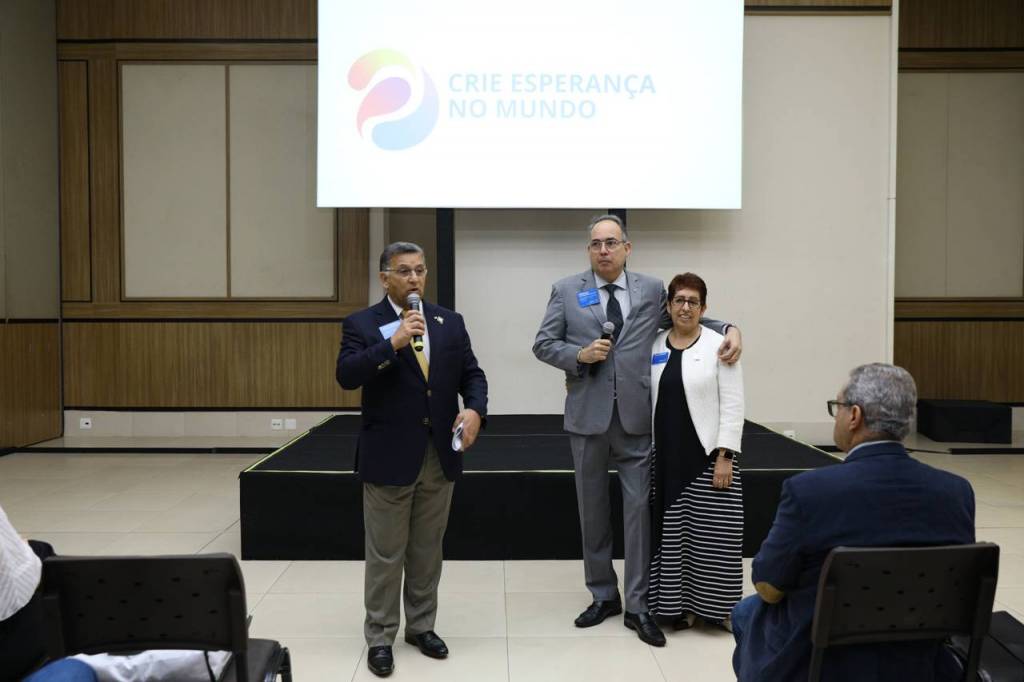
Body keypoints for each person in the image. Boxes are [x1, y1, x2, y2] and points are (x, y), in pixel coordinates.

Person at [533, 214, 742, 647]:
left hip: (637, 420)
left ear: (627, 248)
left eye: (611, 243)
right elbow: (543, 344)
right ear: (588, 250)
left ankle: (638, 604)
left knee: (638, 514)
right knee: (592, 512)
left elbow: (685, 317)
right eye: (596, 244)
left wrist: (729, 328)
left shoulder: (650, 289)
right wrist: (580, 355)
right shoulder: (566, 290)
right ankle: (602, 595)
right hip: (587, 418)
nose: (604, 250)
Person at [731, 363, 975, 682]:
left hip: (821, 664)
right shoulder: (956, 492)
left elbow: (768, 587)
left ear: (854, 416)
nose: (837, 416)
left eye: (838, 407)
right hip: (919, 663)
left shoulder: (810, 491)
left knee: (746, 611)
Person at [336, 241, 488, 678]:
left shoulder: (448, 321)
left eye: (420, 270)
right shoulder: (363, 323)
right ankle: (380, 636)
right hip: (389, 455)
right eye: (404, 271)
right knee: (386, 554)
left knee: (426, 550)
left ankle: (421, 627)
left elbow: (472, 375)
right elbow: (347, 375)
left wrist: (474, 410)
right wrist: (394, 343)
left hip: (439, 454)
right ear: (384, 277)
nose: (415, 278)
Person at [647, 273, 744, 632]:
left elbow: (733, 403)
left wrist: (725, 456)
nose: (685, 307)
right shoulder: (655, 344)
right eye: (679, 300)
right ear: (669, 305)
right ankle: (679, 607)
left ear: (704, 308)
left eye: (693, 301)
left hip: (708, 458)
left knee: (715, 539)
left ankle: (719, 609)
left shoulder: (720, 345)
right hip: (666, 460)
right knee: (677, 537)